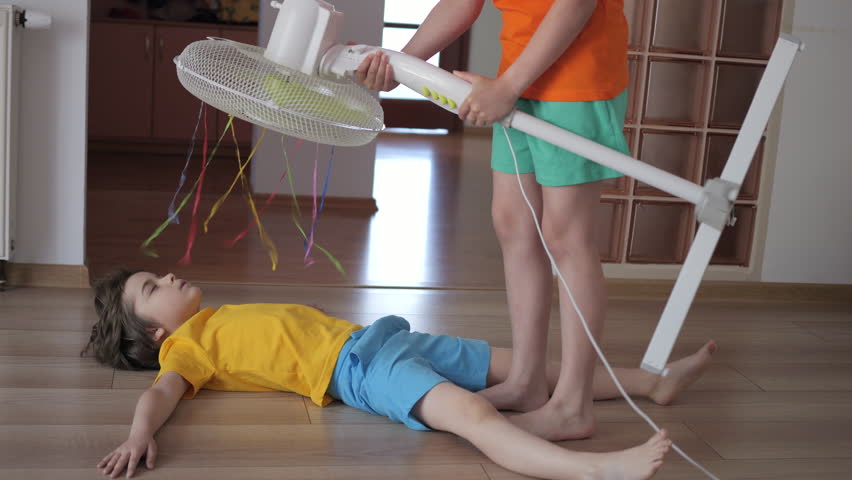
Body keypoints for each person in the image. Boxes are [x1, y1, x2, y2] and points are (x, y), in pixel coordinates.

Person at [84, 270, 718, 479]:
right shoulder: (183, 353)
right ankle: (598, 469)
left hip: (381, 338)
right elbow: (162, 394)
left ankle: (647, 383)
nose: (169, 276)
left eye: (160, 272)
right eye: (153, 286)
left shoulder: (214, 315)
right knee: (474, 418)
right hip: (360, 370)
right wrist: (140, 433)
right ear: (155, 334)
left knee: (530, 368)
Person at [356, 0, 632, 441]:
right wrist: (401, 62)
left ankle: (573, 405)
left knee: (566, 235)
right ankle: (526, 381)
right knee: (513, 224)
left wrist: (508, 86)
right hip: (519, 79)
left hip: (578, 82)